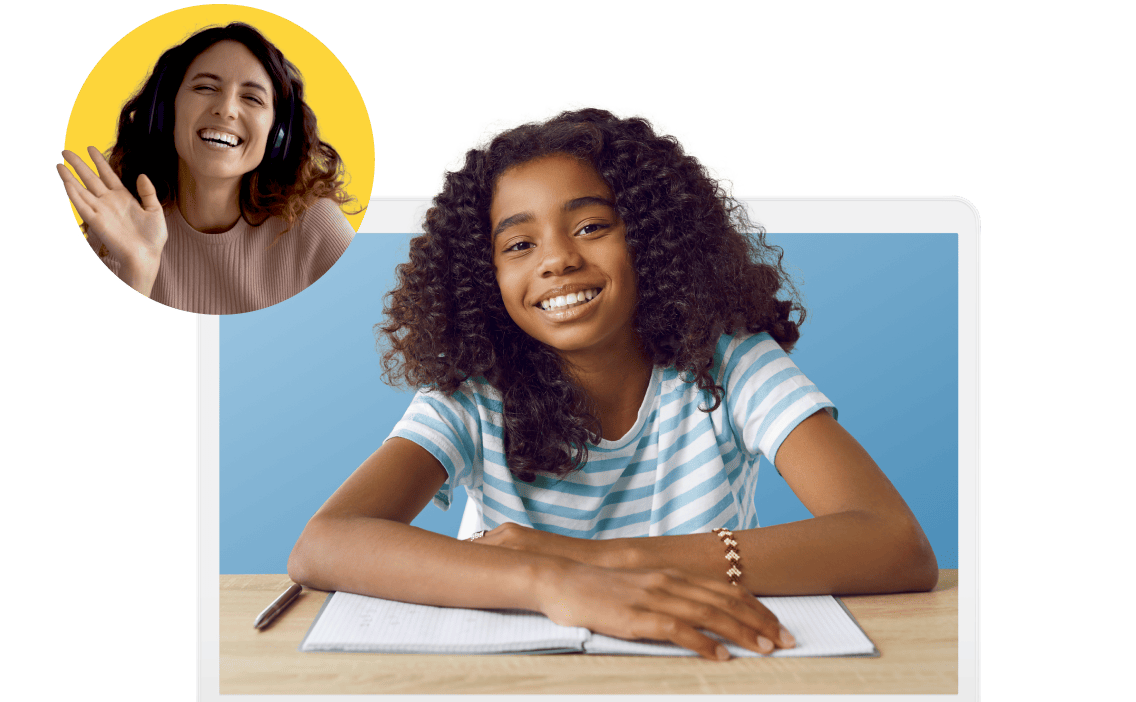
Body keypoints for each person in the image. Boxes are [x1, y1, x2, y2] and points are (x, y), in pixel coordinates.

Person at [286, 103, 939, 661]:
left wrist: (608, 560)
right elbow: (325, 542)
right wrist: (549, 581)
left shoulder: (731, 363)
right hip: (513, 688)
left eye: (591, 226)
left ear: (655, 236)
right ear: (483, 278)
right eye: (519, 245)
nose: (559, 260)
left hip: (700, 676)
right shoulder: (475, 392)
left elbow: (894, 543)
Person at [58, 23, 359, 314]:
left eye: (252, 98)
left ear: (278, 134)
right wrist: (137, 271)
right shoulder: (122, 223)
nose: (226, 108)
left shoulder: (313, 226)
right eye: (205, 87)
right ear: (166, 110)